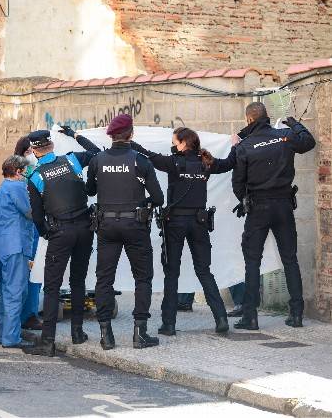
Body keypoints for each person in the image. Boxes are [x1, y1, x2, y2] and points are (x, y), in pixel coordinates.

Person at [132, 127, 237, 336]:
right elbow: (228, 164)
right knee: (204, 271)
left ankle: (169, 324)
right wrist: (235, 146)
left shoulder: (173, 163)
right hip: (199, 222)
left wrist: (129, 142)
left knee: (172, 274)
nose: (172, 145)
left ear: (182, 143)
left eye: (174, 141)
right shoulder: (206, 163)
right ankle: (221, 318)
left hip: (175, 223)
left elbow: (148, 155)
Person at [231, 103, 315, 330]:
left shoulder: (245, 146)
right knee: (290, 259)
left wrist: (245, 200)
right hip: (284, 205)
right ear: (267, 117)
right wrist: (295, 124)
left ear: (248, 120)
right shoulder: (285, 136)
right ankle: (296, 314)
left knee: (252, 262)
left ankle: (250, 317)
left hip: (258, 207)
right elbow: (309, 142)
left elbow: (237, 183)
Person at [86, 114, 164, 349]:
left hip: (106, 226)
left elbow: (90, 191)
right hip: (135, 226)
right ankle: (139, 334)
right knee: (143, 278)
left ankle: (105, 335)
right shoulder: (141, 161)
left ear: (111, 135)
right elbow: (159, 198)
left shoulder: (98, 160)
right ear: (131, 134)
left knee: (104, 279)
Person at [22, 126, 101, 356]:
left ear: (35, 152)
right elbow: (97, 153)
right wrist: (75, 135)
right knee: (78, 281)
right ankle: (77, 332)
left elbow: (37, 216)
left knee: (52, 286)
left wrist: (47, 233)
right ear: (52, 146)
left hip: (60, 232)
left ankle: (48, 342)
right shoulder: (73, 160)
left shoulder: (34, 176)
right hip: (85, 229)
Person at [0, 155, 35, 348]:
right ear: (18, 172)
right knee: (16, 293)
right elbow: (30, 212)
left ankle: (4, 334)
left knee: (5, 292)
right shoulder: (18, 188)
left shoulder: (2, 189)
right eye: (26, 170)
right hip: (16, 246)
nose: (27, 174)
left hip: (1, 248)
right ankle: (11, 338)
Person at [13, 136, 43, 331]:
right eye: (28, 152)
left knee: (35, 270)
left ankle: (28, 313)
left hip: (34, 228)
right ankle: (24, 315)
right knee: (26, 271)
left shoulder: (36, 172)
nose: (31, 155)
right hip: (25, 229)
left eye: (33, 151)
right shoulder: (18, 176)